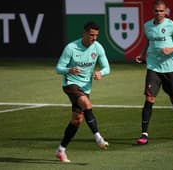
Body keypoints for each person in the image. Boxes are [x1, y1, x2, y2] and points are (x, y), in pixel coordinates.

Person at [55, 21, 110, 162]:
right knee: (86, 103)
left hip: (85, 87)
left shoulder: (97, 48)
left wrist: (100, 73)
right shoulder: (71, 48)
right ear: (84, 33)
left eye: (96, 35)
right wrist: (69, 69)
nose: (94, 38)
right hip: (70, 83)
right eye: (91, 35)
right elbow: (58, 68)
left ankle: (61, 150)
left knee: (77, 120)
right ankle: (98, 137)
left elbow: (107, 67)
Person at [135, 0, 173, 145]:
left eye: (161, 11)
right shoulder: (147, 26)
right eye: (156, 11)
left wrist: (171, 50)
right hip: (153, 67)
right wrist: (142, 54)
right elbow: (149, 40)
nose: (158, 13)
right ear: (153, 11)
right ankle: (144, 134)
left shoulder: (172, 26)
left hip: (170, 68)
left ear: (165, 11)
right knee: (149, 98)